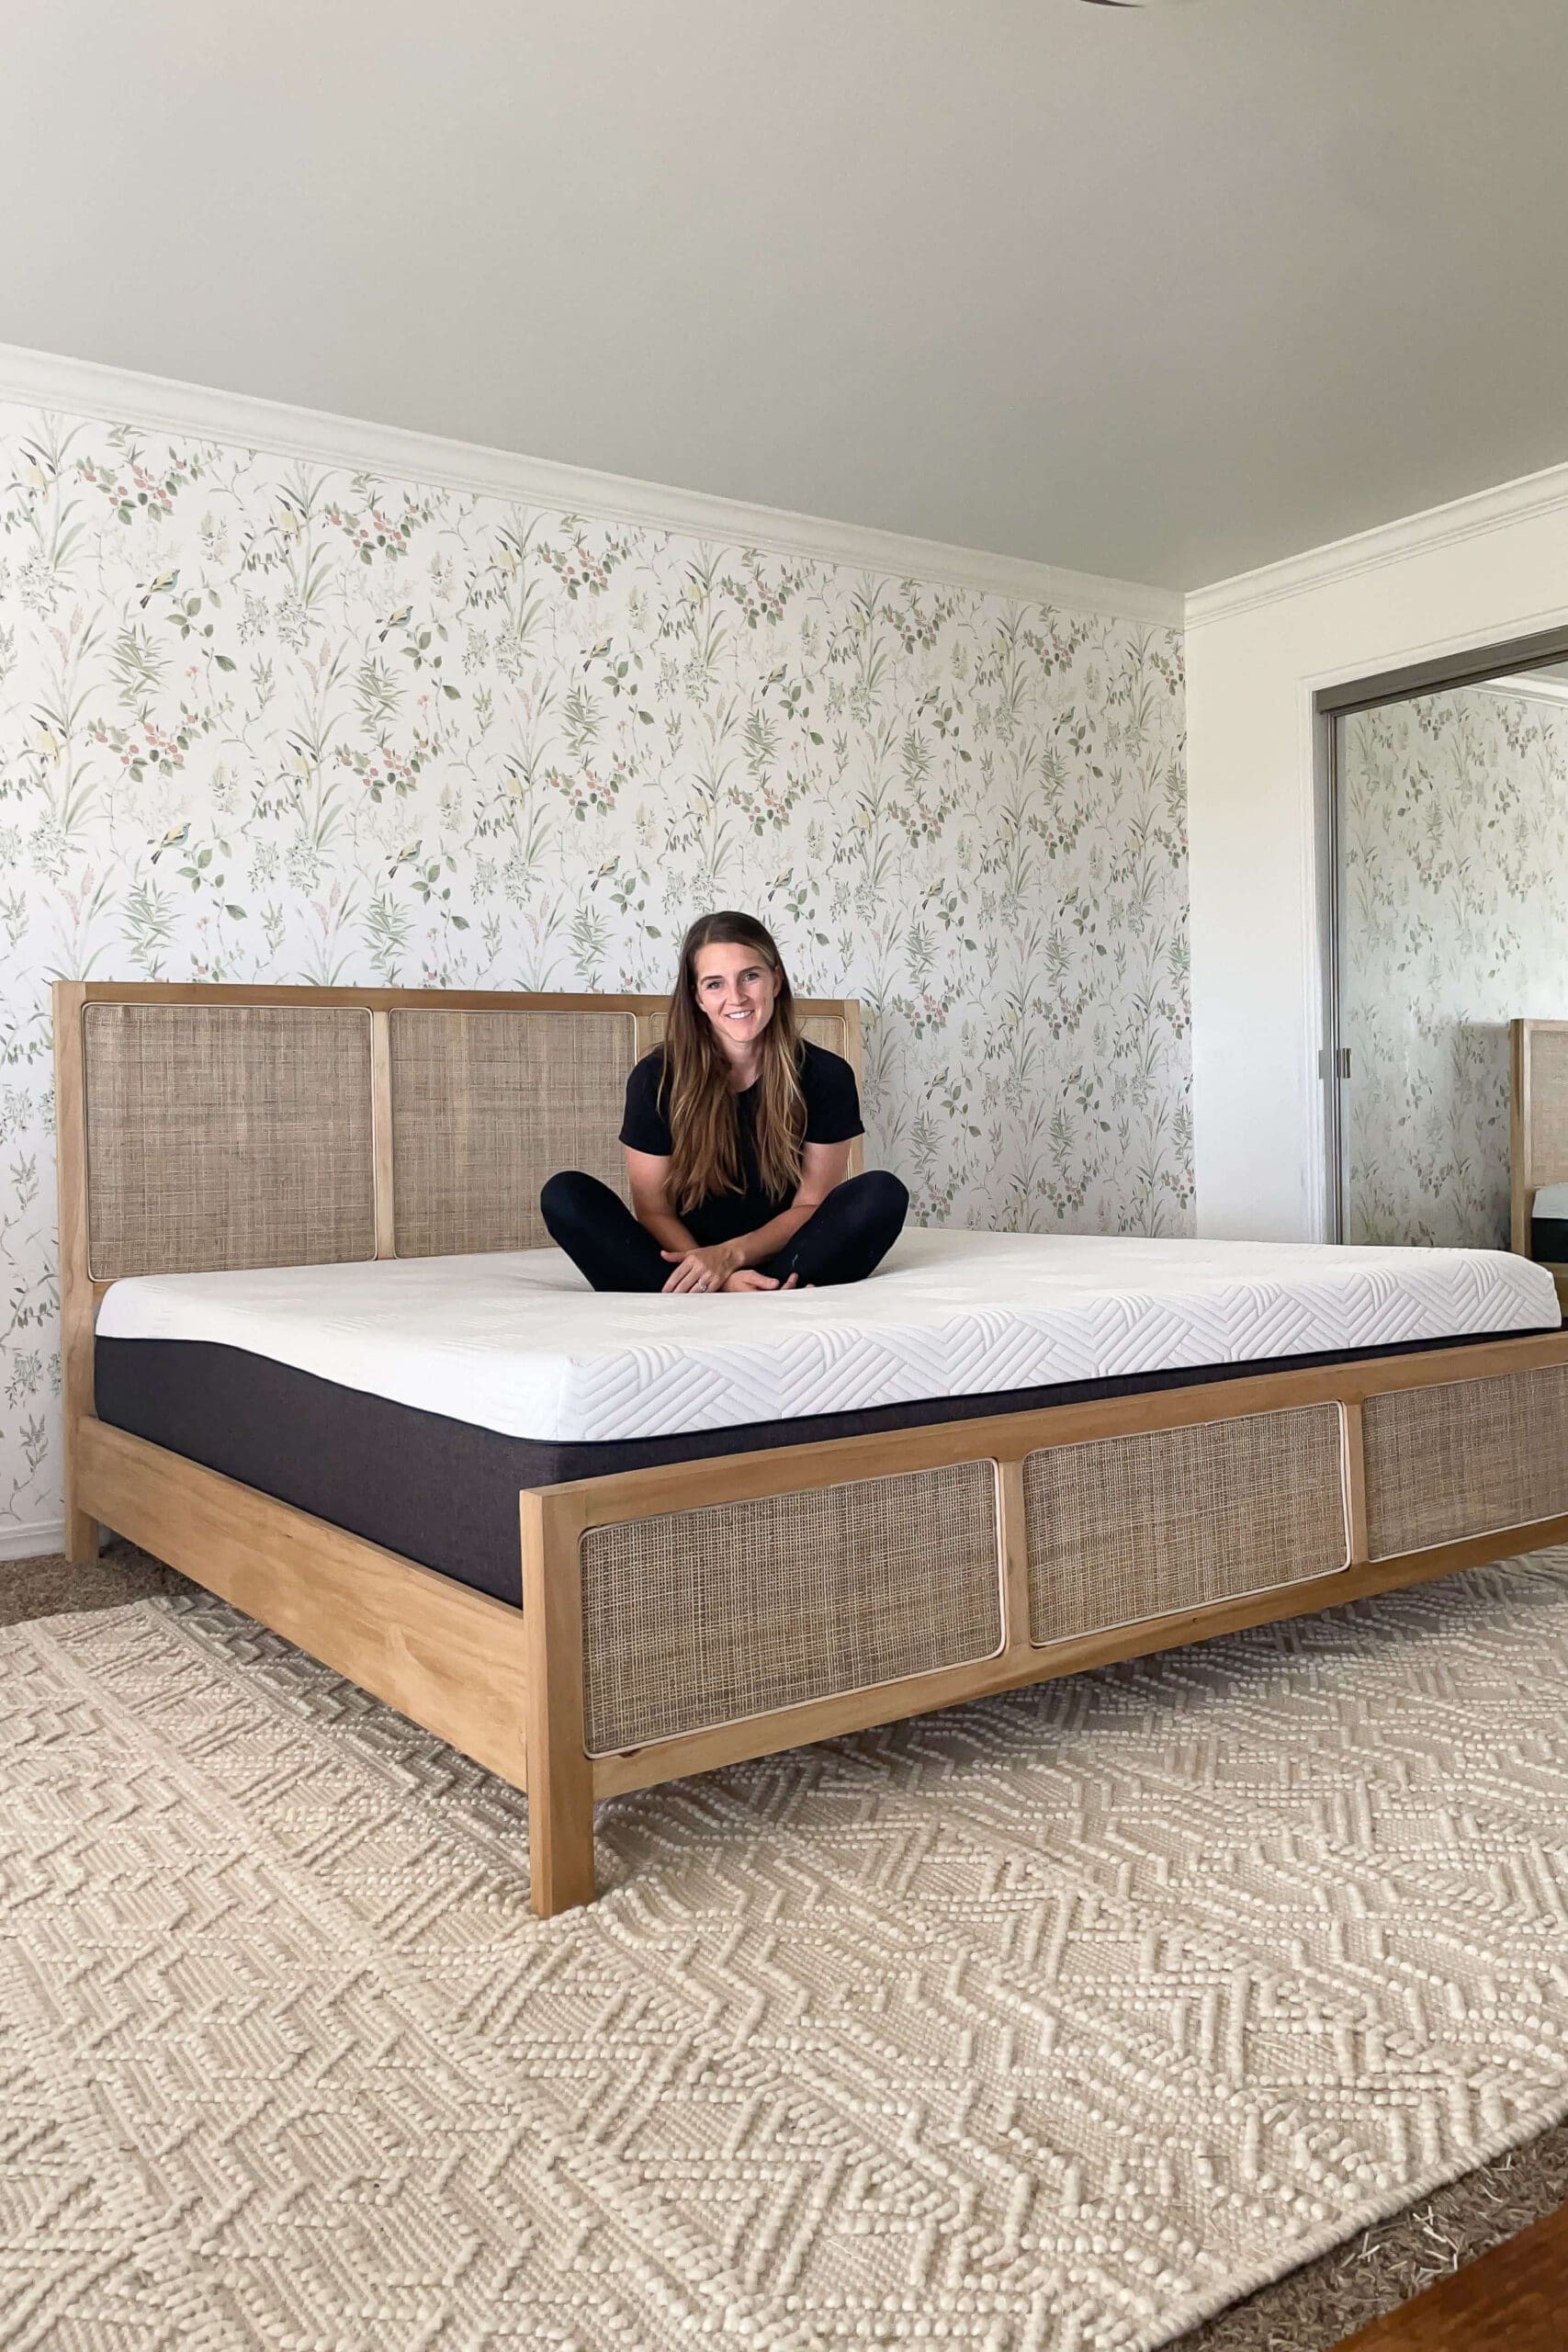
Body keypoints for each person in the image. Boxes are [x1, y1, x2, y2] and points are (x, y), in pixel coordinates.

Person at [540, 911, 908, 1294]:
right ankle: (743, 1295)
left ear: (775, 980)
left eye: (750, 976)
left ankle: (751, 1289)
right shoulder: (655, 1078)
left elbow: (810, 1204)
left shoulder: (827, 1075)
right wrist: (717, 1276)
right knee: (565, 1195)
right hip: (685, 1259)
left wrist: (731, 1256)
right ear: (697, 997)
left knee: (881, 1194)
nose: (736, 997)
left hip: (785, 1255)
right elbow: (654, 1210)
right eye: (715, 984)